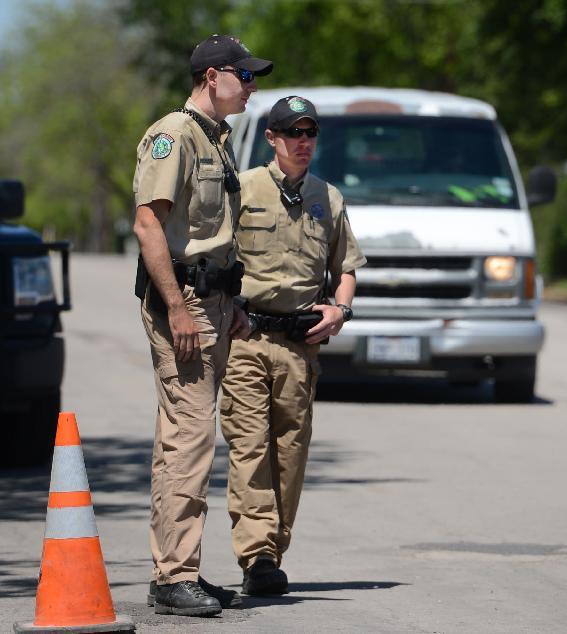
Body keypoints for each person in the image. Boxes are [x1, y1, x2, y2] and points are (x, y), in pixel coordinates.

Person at [132, 34, 271, 616]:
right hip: (183, 304)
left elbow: (211, 234)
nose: (253, 86)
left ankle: (177, 569)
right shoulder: (175, 134)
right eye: (246, 75)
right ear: (213, 76)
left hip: (211, 303)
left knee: (182, 442)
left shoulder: (215, 138)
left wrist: (229, 302)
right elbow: (148, 226)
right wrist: (178, 307)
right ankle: (174, 576)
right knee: (190, 442)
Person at [220, 96, 366, 595]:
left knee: (291, 452)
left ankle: (272, 551)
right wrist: (228, 308)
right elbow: (217, 258)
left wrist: (339, 310)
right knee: (250, 447)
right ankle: (257, 555)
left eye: (310, 133)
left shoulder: (329, 198)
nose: (303, 142)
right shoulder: (241, 189)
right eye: (293, 133)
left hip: (301, 347)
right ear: (271, 138)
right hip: (247, 339)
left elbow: (344, 270)